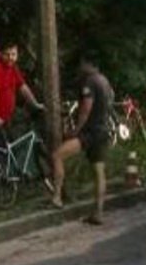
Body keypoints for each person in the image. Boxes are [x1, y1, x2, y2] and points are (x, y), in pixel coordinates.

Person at [50, 59, 117, 224]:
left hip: (89, 133)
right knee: (98, 172)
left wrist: (76, 130)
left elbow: (86, 109)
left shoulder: (89, 82)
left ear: (88, 64)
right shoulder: (105, 81)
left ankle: (57, 197)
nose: (80, 69)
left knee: (57, 156)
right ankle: (98, 212)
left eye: (82, 65)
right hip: (103, 131)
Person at [0, 44, 43, 155]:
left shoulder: (13, 68)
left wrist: (35, 104)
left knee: (13, 146)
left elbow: (23, 87)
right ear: (1, 54)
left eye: (13, 54)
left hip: (8, 116)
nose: (11, 57)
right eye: (7, 54)